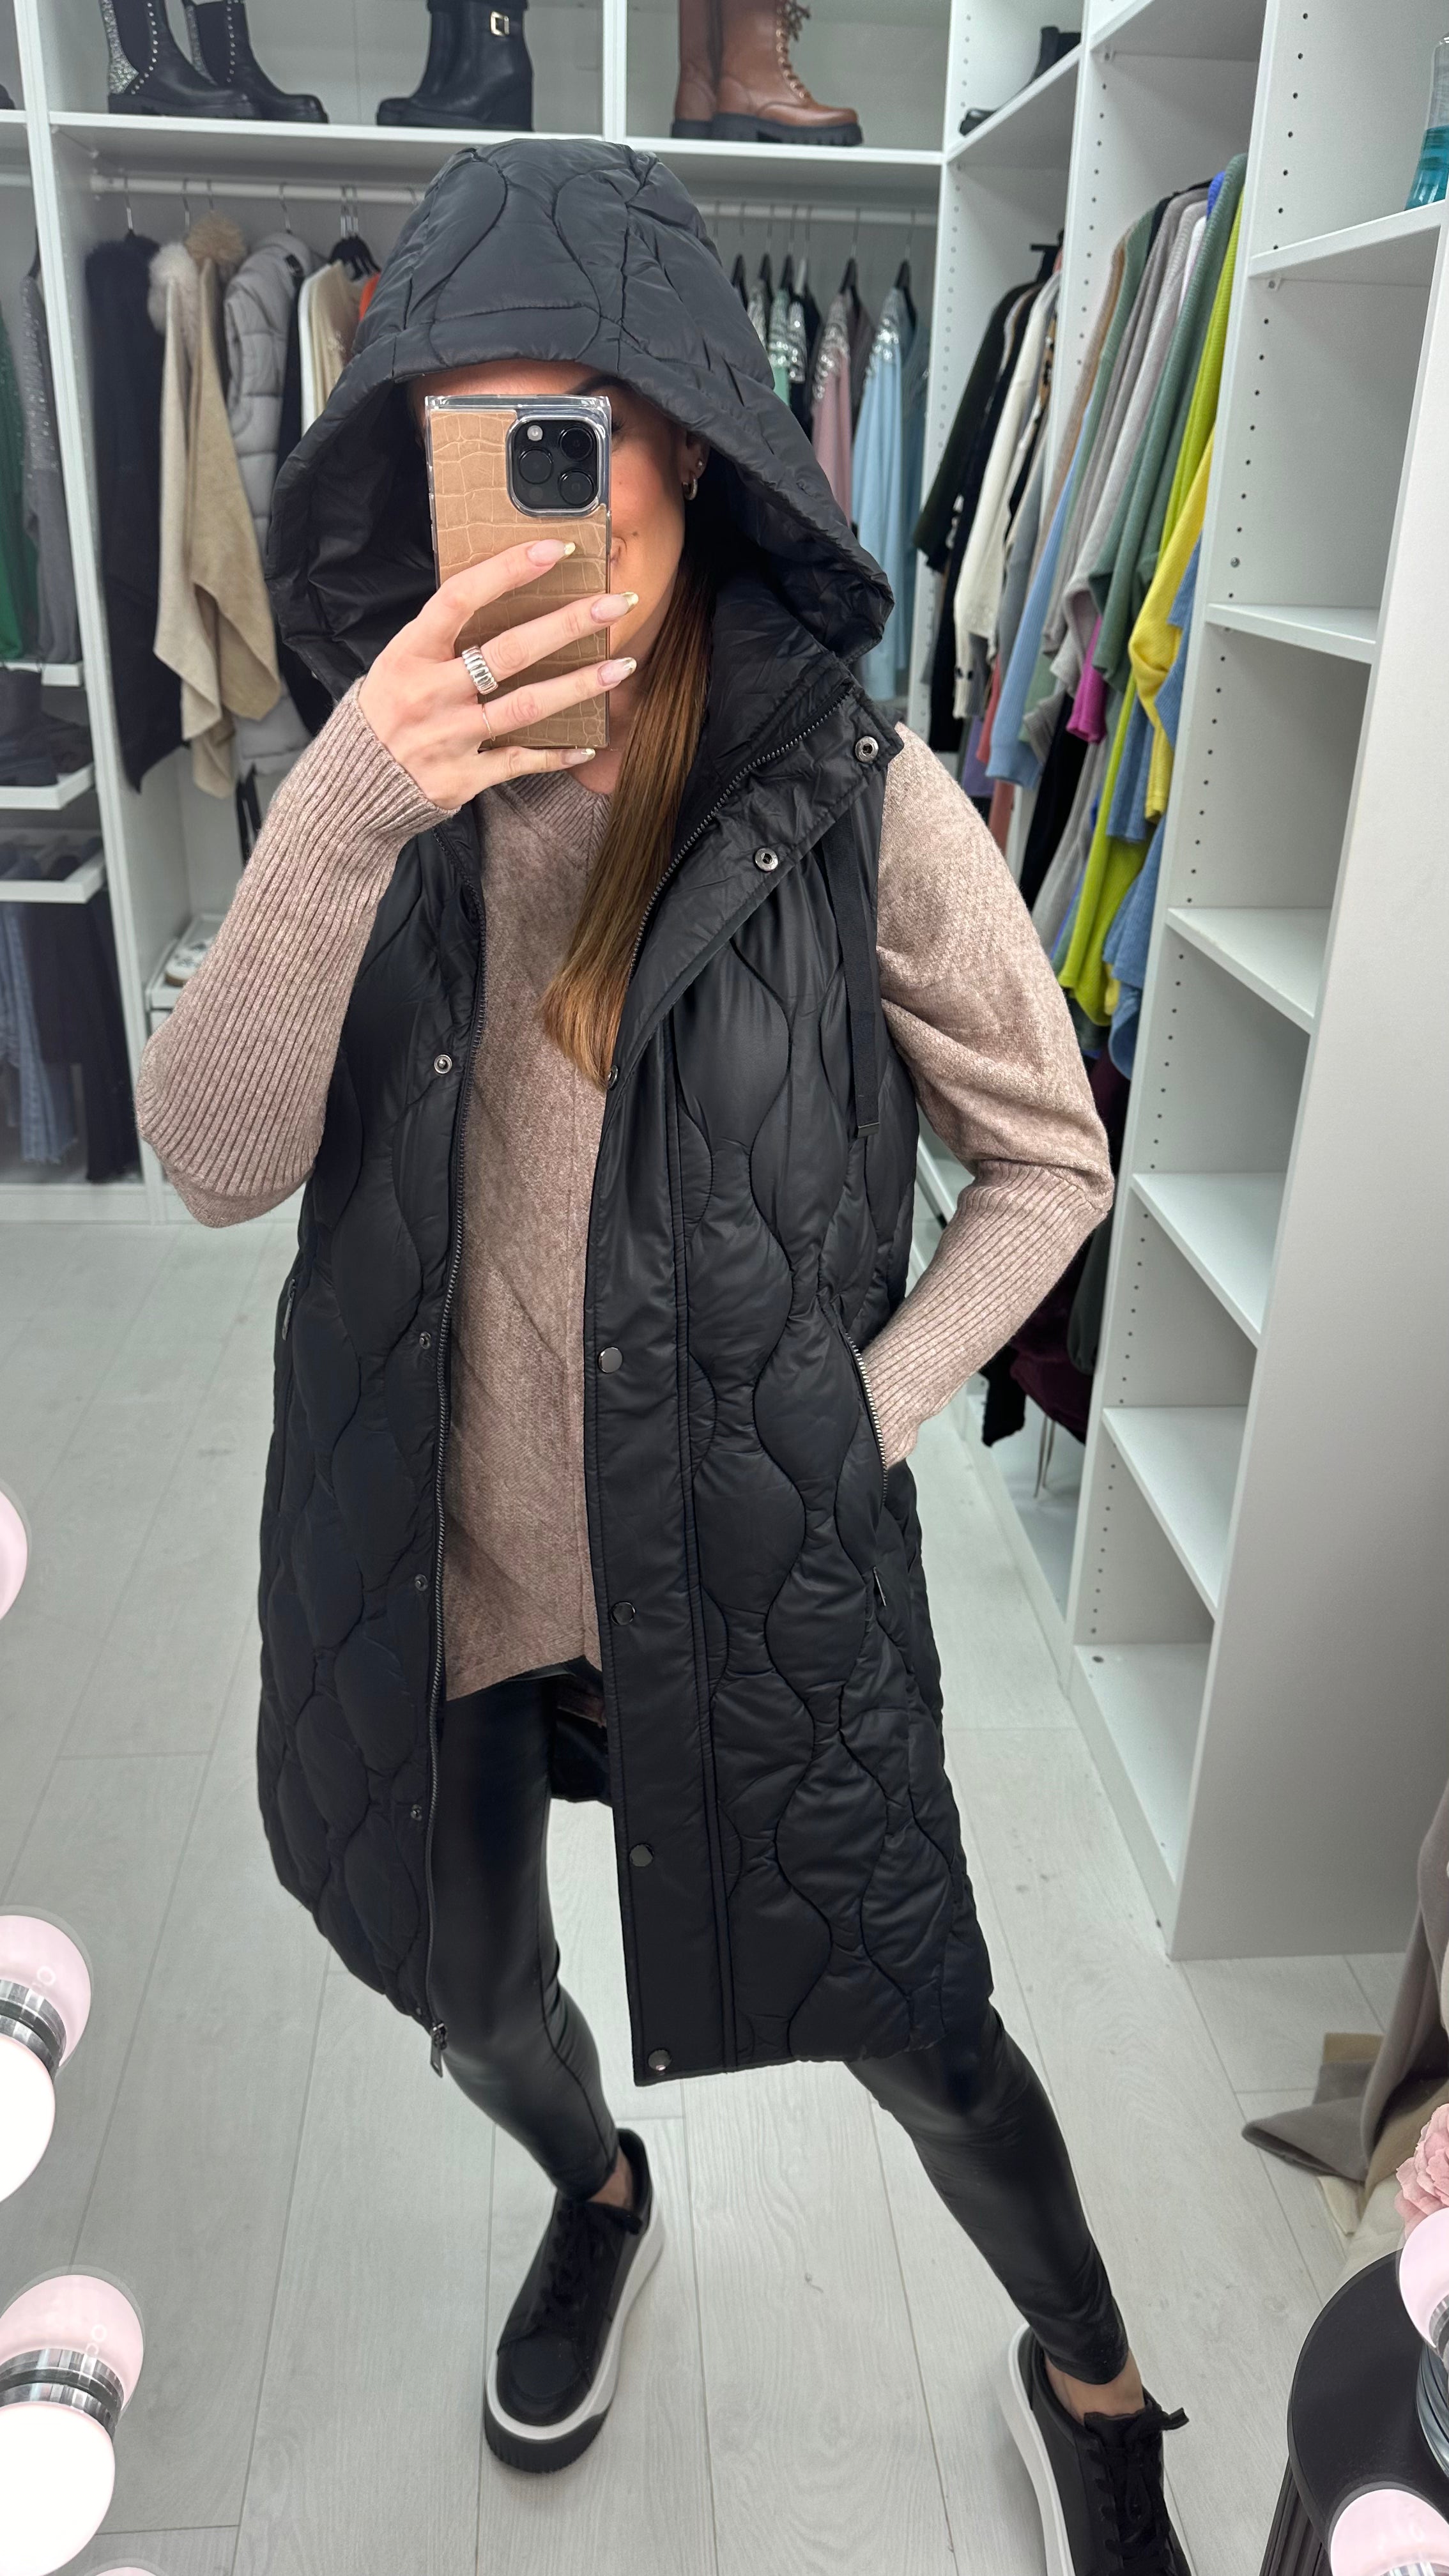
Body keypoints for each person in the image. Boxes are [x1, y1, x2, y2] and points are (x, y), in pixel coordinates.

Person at [135, 139, 1189, 2576]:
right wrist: (346, 807)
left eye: (576, 433)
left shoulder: (846, 796)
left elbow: (1051, 1160)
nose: (530, 493)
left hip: (743, 1558)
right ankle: (593, 2190)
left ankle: (1095, 2379)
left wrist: (862, 1412)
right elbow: (205, 1160)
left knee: (926, 2036)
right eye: (471, 431)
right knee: (473, 2004)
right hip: (442, 1571)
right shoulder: (373, 779)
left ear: (689, 445)